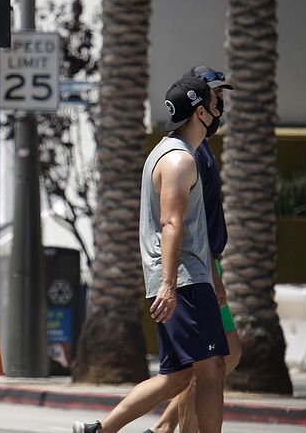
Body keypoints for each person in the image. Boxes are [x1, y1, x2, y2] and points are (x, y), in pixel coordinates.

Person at [74, 77, 230, 433]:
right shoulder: (178, 161)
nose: (221, 109)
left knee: (177, 377)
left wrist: (212, 277)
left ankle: (99, 430)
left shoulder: (170, 152)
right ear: (200, 112)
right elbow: (171, 224)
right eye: (216, 103)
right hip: (183, 281)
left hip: (187, 277)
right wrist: (170, 286)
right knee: (212, 369)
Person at [149, 67, 241, 433]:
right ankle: (155, 429)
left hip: (204, 267)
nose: (221, 101)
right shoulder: (187, 155)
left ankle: (167, 427)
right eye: (216, 94)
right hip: (194, 271)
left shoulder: (200, 148)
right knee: (209, 363)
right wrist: (184, 279)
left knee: (217, 360)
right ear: (200, 104)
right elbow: (177, 222)